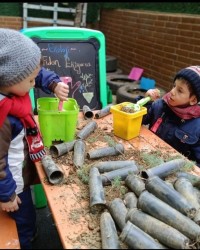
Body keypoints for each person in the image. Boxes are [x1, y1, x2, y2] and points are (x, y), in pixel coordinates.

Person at [0, 28, 69, 249]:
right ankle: (26, 240)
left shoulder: (12, 87)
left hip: (18, 169)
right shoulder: (3, 117)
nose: (34, 83)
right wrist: (7, 194)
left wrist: (53, 83)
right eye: (30, 80)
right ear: (10, 79)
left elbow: (37, 72)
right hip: (10, 184)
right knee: (22, 220)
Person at [142, 66, 200, 167]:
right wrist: (146, 102)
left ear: (193, 100)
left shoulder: (196, 126)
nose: (172, 92)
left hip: (172, 171)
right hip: (146, 156)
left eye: (180, 90)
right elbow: (141, 119)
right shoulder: (159, 105)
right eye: (174, 86)